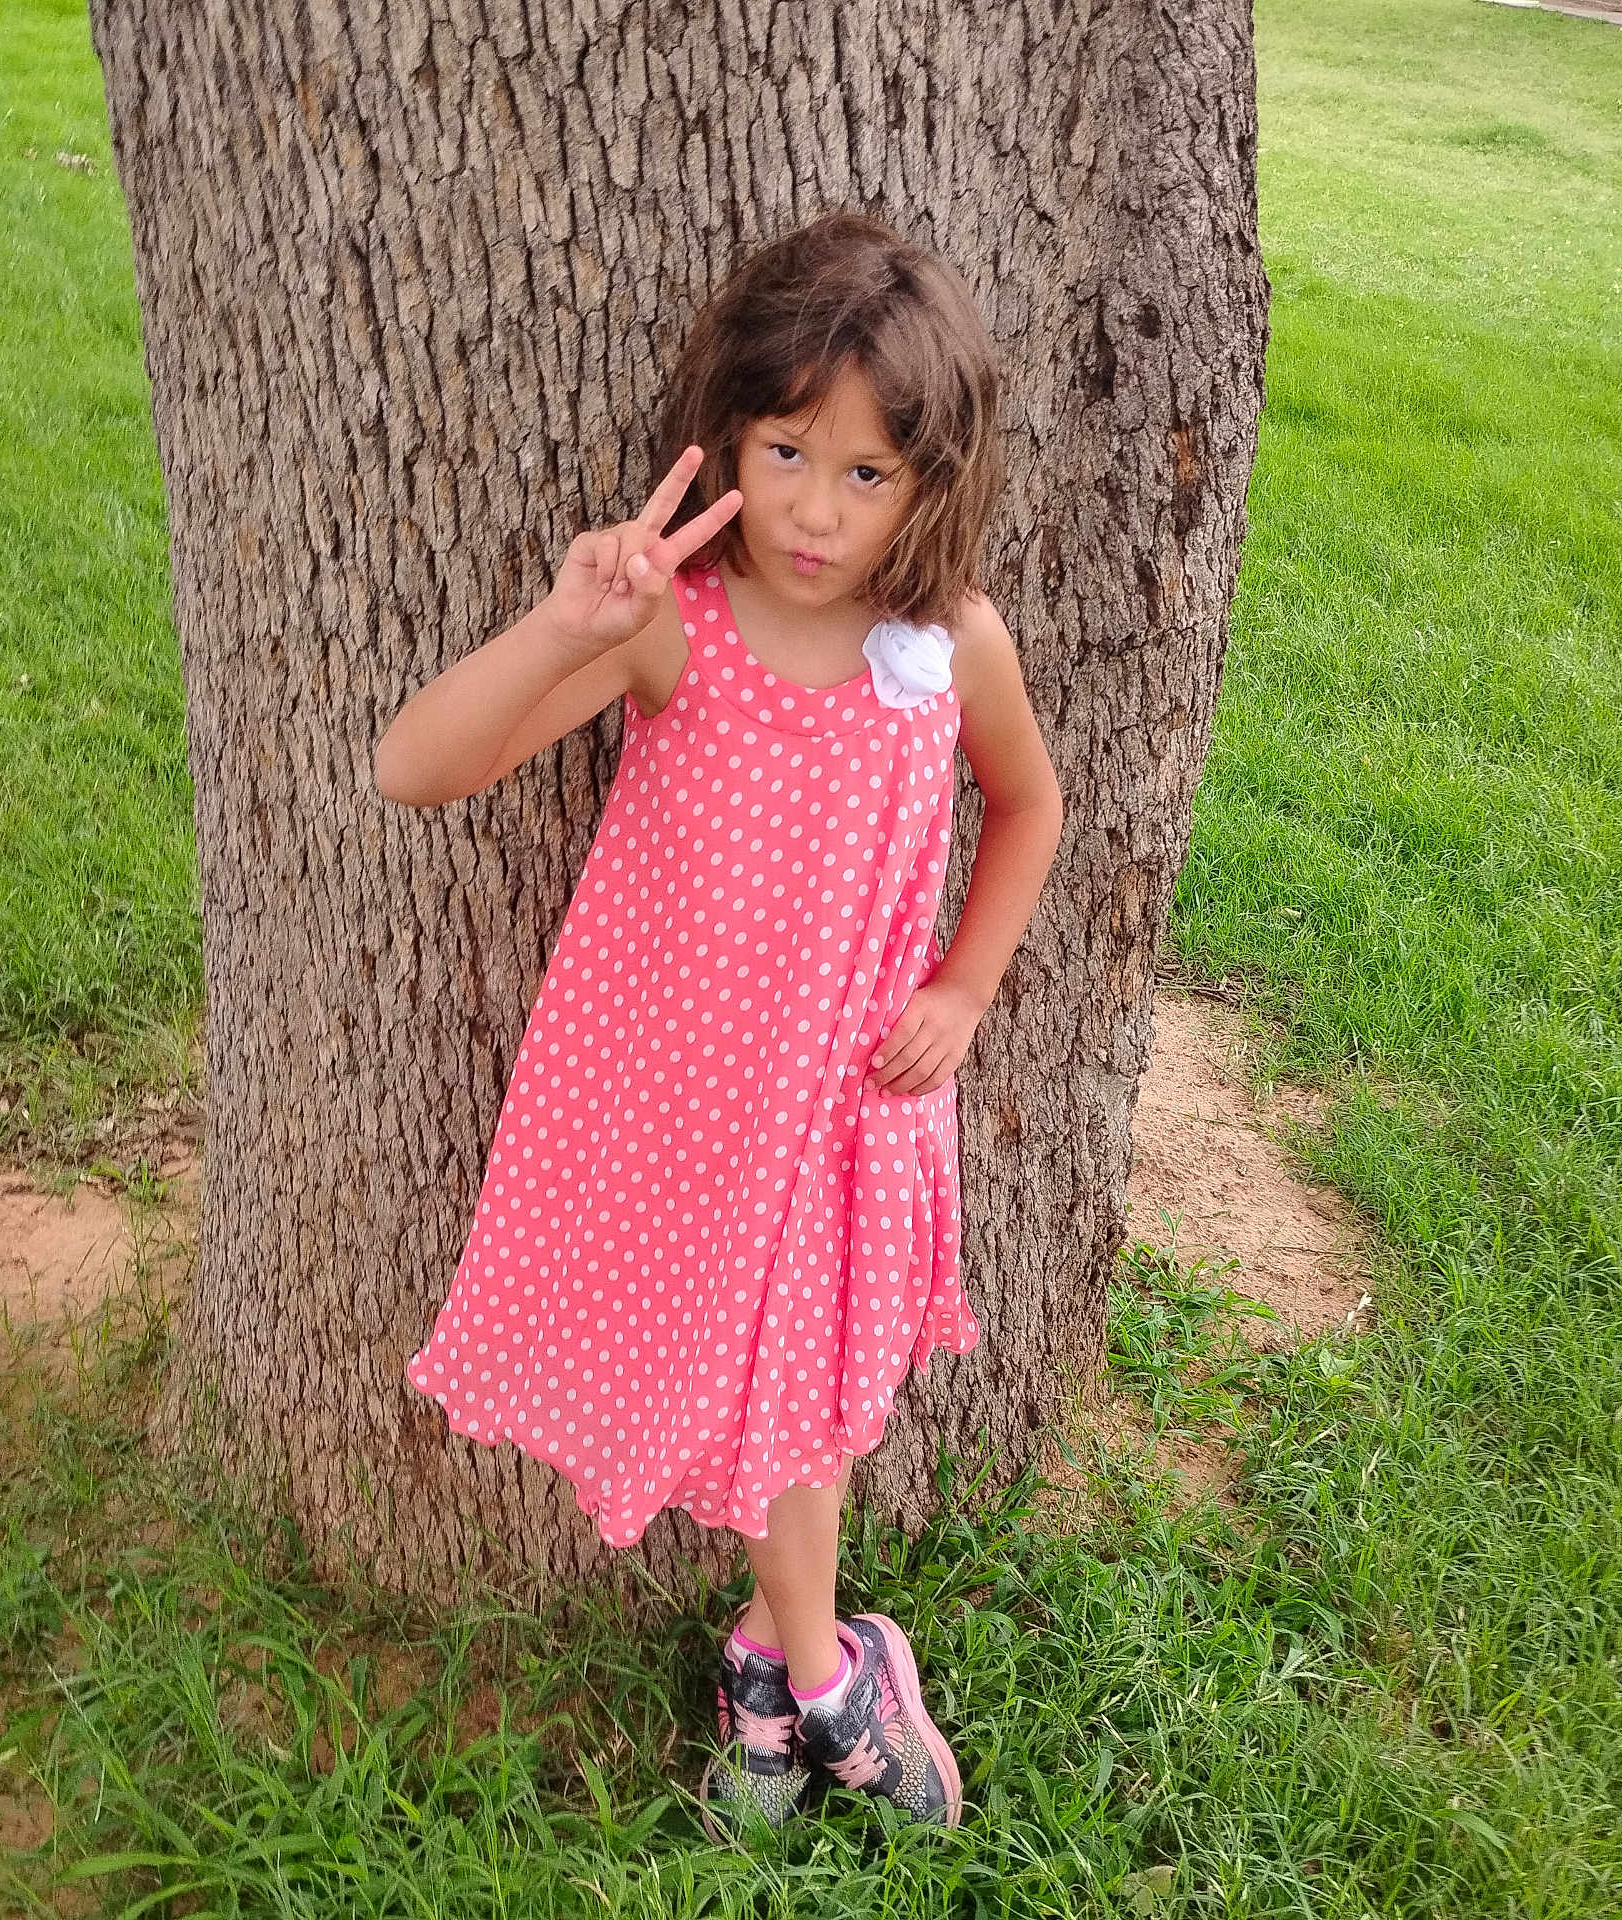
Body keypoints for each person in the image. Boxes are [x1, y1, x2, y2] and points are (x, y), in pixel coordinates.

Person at [375, 209, 1064, 1843]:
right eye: (785, 451)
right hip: (678, 1106)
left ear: (930, 482)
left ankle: (795, 1668)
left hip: (842, 1109)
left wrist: (964, 986)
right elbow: (417, 767)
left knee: (800, 1390)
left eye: (868, 473)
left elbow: (1027, 807)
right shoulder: (674, 622)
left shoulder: (943, 643)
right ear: (727, 431)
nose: (817, 511)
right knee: (747, 1391)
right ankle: (816, 1667)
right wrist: (570, 621)